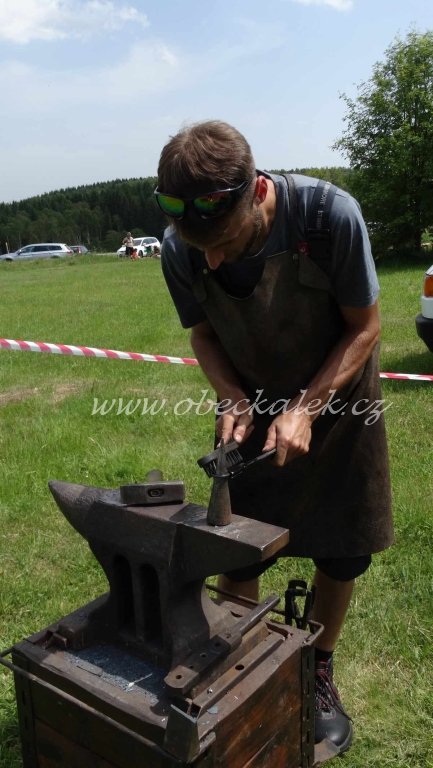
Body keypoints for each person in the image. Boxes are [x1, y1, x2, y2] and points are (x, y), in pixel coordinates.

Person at [157, 121, 394, 755]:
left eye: (225, 244)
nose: (211, 262)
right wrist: (231, 395)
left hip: (340, 403)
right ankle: (236, 662)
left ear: (258, 192)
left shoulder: (329, 218)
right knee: (236, 548)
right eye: (200, 248)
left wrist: (307, 409)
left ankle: (317, 669)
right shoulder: (180, 247)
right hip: (252, 402)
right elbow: (204, 334)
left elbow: (366, 327)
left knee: (342, 550)